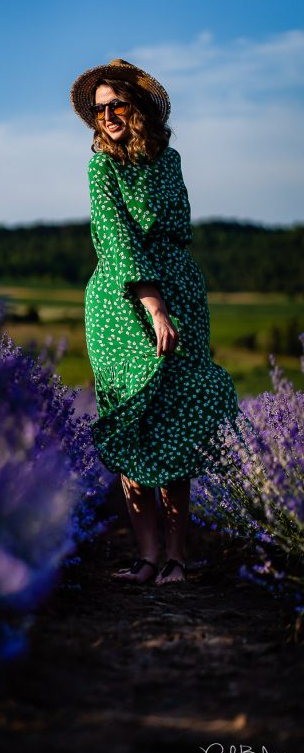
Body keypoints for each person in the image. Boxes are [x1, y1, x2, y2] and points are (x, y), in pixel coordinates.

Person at [70, 59, 241, 586]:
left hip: (181, 291)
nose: (108, 116)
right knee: (133, 421)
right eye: (99, 110)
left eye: (116, 105)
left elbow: (177, 227)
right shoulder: (100, 167)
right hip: (123, 303)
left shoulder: (169, 161)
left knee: (175, 422)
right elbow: (118, 241)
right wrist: (155, 305)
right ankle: (146, 557)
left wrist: (172, 296)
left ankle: (176, 558)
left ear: (138, 106)